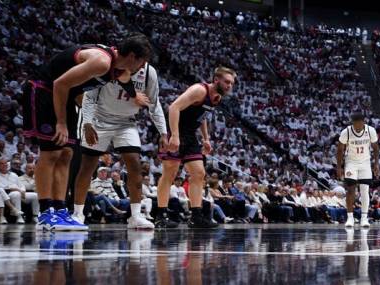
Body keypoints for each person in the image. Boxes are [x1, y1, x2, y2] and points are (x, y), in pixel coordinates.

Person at [21, 33, 152, 230]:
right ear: (132, 56)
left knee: (66, 153)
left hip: (66, 96)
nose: (142, 68)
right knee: (51, 153)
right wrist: (62, 123)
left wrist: (95, 119)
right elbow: (60, 84)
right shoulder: (101, 62)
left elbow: (85, 89)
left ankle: (59, 210)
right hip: (45, 90)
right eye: (142, 62)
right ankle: (45, 213)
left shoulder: (117, 68)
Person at [72, 62, 168, 229]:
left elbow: (154, 103)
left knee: (134, 164)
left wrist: (164, 132)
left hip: (126, 122)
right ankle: (78, 214)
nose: (138, 65)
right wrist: (87, 124)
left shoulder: (148, 72)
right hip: (99, 119)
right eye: (136, 59)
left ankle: (135, 216)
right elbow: (89, 97)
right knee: (87, 166)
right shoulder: (107, 66)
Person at [154, 67, 236, 229]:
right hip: (175, 130)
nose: (229, 86)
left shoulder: (217, 98)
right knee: (169, 174)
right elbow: (174, 107)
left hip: (190, 135)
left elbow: (202, 116)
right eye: (227, 82)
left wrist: (206, 138)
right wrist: (175, 136)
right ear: (216, 80)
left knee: (199, 174)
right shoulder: (199, 90)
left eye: (232, 83)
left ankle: (196, 216)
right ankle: (160, 216)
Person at [336, 112, 379, 228]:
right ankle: (350, 218)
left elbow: (375, 148)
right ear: (352, 123)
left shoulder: (371, 131)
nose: (357, 127)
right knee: (351, 190)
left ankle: (364, 218)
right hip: (351, 163)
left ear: (363, 122)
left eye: (359, 124)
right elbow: (340, 150)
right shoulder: (346, 132)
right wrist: (339, 167)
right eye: (355, 125)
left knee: (365, 190)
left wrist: (376, 164)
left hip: (365, 163)